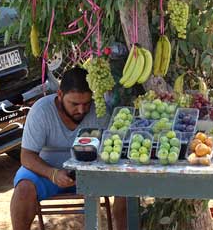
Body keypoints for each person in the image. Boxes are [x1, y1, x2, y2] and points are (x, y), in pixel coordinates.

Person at [10, 67, 127, 230]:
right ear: (59, 95)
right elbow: (27, 156)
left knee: (126, 184)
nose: (81, 110)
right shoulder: (41, 111)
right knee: (23, 189)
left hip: (92, 173)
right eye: (74, 104)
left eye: (86, 103)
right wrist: (53, 174)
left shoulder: (99, 111)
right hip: (49, 173)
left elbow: (112, 147)